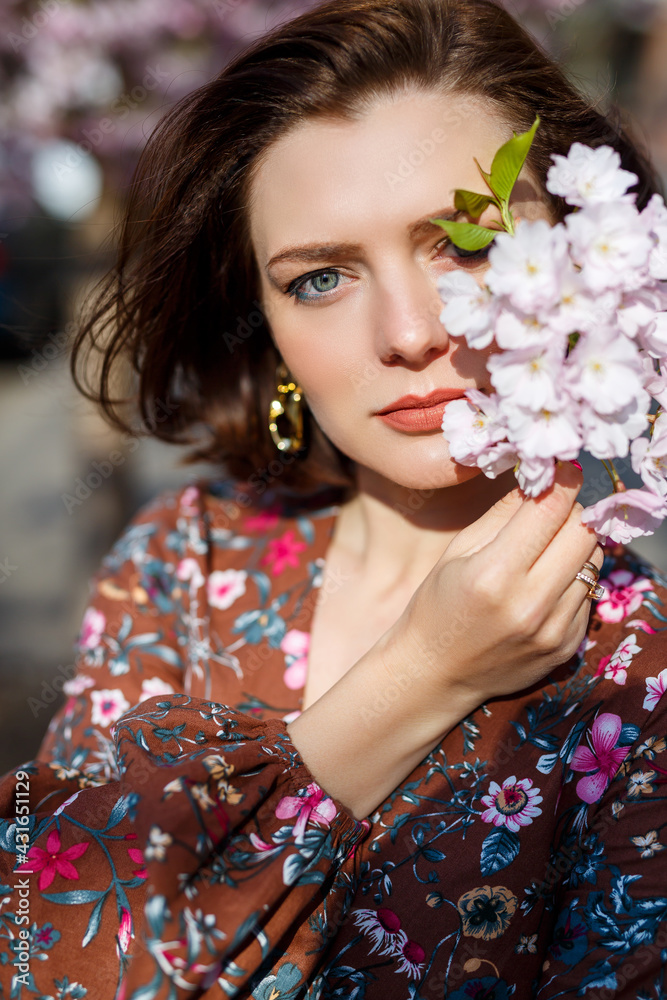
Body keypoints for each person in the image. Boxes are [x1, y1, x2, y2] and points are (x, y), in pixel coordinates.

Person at [2, 0, 667, 996]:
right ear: (265, 328)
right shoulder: (185, 561)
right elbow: (48, 952)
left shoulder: (636, 660)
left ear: (583, 248)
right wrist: (420, 674)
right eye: (319, 279)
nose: (407, 332)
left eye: (468, 243)